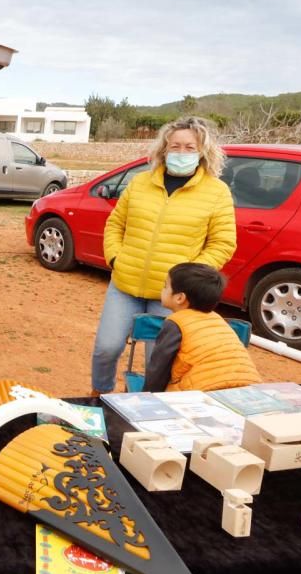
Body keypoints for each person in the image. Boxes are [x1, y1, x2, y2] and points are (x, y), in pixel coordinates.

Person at [91, 116, 237, 395]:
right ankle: (98, 395)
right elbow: (115, 224)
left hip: (173, 296)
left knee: (157, 361)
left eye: (189, 147)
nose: (181, 153)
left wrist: (187, 280)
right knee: (106, 348)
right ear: (164, 149)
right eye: (175, 146)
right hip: (126, 284)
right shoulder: (140, 183)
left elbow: (222, 243)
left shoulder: (216, 192)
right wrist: (115, 259)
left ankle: (147, 406)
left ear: (203, 151)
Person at [142, 263, 261, 392]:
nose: (163, 290)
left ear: (180, 298)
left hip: (204, 393)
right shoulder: (218, 319)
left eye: (165, 286)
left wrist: (147, 397)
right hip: (250, 388)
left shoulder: (176, 322)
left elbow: (159, 369)